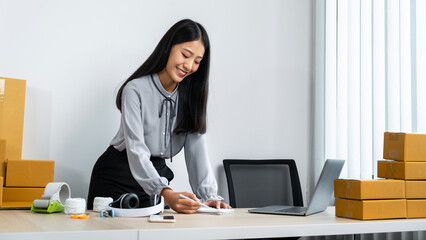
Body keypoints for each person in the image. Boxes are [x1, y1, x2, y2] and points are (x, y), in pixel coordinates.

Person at [87, 19, 231, 213]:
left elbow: (197, 153)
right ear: (169, 47)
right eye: (185, 55)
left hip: (156, 179)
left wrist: (209, 197)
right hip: (117, 175)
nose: (189, 66)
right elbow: (136, 148)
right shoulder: (135, 90)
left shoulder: (190, 99)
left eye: (197, 61)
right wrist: (164, 191)